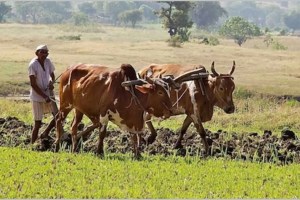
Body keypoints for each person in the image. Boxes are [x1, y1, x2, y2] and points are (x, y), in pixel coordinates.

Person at [28, 44, 58, 144]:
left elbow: (52, 75)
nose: (44, 54)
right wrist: (44, 96)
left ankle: (46, 133)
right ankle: (32, 145)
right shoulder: (33, 65)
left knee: (57, 116)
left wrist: (51, 82)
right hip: (37, 97)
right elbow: (33, 84)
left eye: (46, 53)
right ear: (37, 53)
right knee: (37, 123)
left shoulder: (48, 61)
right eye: (42, 52)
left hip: (48, 94)